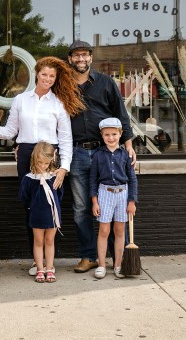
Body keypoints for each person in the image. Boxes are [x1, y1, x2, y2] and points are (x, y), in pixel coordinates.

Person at [0, 56, 85, 275]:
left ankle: (49, 264)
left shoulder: (59, 103)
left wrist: (64, 167)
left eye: (52, 76)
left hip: (50, 156)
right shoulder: (21, 100)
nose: (48, 79)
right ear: (36, 74)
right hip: (26, 155)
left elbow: (66, 138)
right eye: (45, 75)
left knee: (51, 206)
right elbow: (9, 131)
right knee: (31, 206)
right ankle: (37, 262)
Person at [67, 40, 136, 273]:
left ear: (91, 58)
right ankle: (89, 257)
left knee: (115, 205)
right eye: (76, 55)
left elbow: (121, 114)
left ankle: (118, 258)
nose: (81, 59)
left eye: (85, 55)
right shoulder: (64, 85)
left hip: (105, 152)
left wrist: (128, 145)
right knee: (81, 208)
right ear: (70, 59)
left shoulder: (106, 83)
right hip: (76, 153)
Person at [90, 118, 138, 279]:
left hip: (122, 195)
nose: (111, 138)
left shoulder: (125, 155)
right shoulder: (97, 155)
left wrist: (131, 202)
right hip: (105, 193)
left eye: (114, 134)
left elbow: (132, 179)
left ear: (120, 134)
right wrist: (94, 201)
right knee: (104, 230)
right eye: (107, 135)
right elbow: (92, 180)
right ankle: (102, 265)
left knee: (119, 231)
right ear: (102, 136)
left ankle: (118, 264)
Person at [19, 142, 63, 283]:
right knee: (38, 241)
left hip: (52, 214)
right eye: (39, 162)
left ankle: (49, 269)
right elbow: (24, 196)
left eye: (46, 163)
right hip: (36, 215)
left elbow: (60, 195)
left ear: (51, 161)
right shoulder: (29, 179)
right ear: (34, 159)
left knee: (50, 241)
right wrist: (33, 207)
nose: (42, 166)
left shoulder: (54, 178)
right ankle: (39, 269)